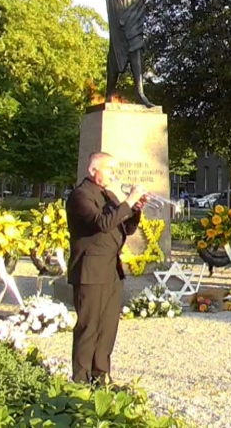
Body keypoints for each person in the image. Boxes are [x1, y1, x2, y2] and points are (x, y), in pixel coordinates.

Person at [66, 152, 147, 385]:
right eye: (109, 169)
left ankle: (101, 376)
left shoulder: (108, 194)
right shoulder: (80, 196)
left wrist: (136, 210)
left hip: (112, 270)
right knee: (88, 327)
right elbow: (102, 224)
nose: (113, 174)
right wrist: (128, 201)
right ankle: (80, 380)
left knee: (107, 328)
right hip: (90, 270)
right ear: (93, 171)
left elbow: (125, 228)